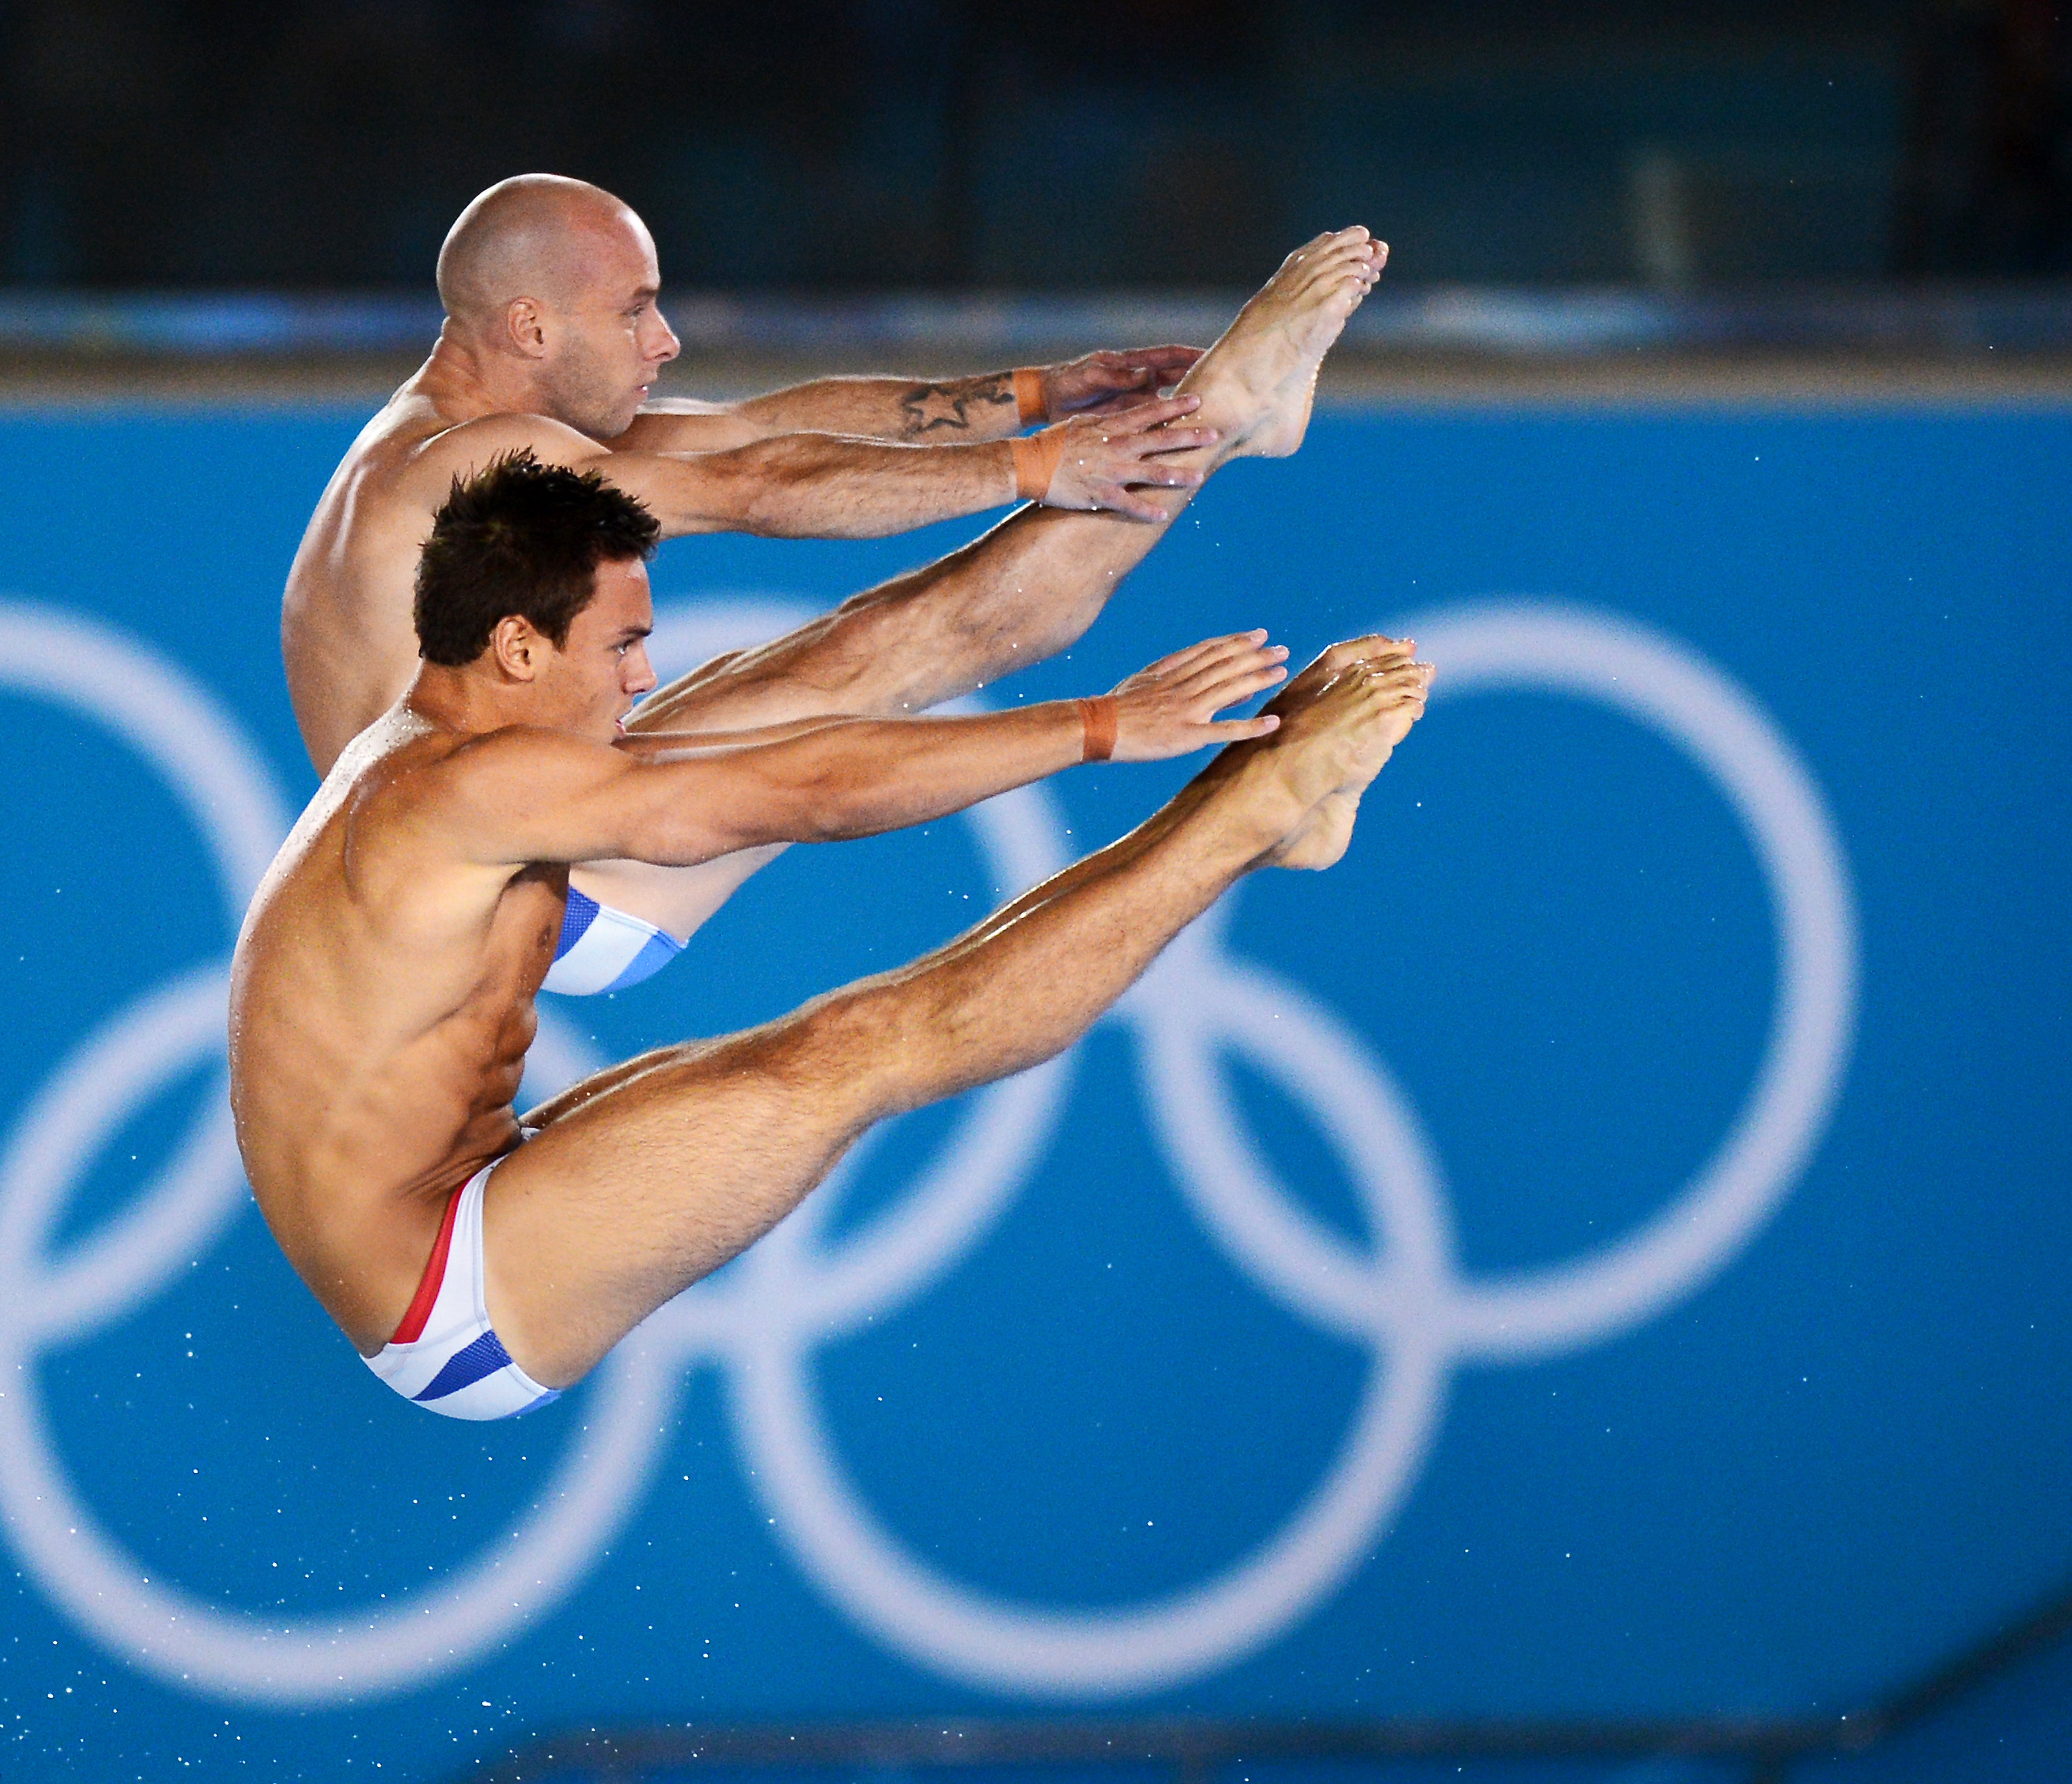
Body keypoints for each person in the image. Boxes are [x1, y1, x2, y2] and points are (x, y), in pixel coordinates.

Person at [229, 425, 1431, 1421]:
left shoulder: (442, 744)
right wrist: (1101, 726)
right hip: (452, 1292)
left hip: (469, 1187)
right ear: (515, 644)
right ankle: (1256, 809)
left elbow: (790, 706)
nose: (641, 679)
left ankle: (1259, 805)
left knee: (829, 815)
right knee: (863, 1049)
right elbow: (801, 794)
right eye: (624, 646)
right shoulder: (458, 788)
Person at [281, 171, 1388, 993]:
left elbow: (766, 421)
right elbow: (762, 484)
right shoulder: (474, 467)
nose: (664, 340)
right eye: (635, 308)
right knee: (923, 639)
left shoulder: (441, 437)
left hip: (519, 854)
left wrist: (1041, 393)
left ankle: (1226, 428)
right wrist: (1038, 465)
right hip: (541, 896)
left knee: (866, 647)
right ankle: (1227, 417)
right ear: (531, 325)